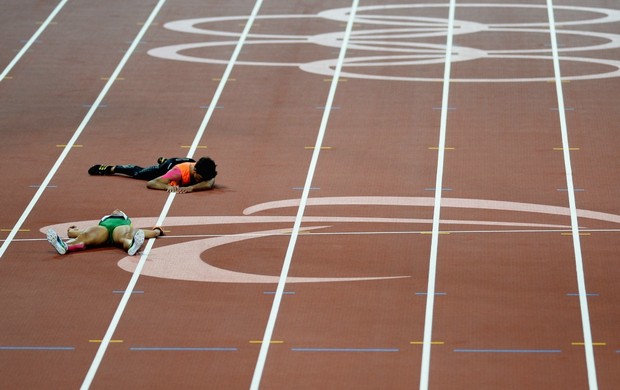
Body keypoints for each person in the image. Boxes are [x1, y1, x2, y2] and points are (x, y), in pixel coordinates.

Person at [46, 209, 163, 256]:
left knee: (127, 235)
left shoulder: (126, 223)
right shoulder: (105, 221)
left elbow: (142, 233)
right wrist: (72, 231)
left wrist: (156, 231)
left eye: (119, 211)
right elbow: (78, 233)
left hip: (119, 230)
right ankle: (65, 246)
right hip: (103, 231)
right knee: (85, 236)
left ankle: (133, 245)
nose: (116, 209)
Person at [88, 156, 217, 193]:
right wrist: (167, 187)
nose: (202, 180)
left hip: (185, 161)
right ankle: (111, 168)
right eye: (200, 178)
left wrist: (191, 188)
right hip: (171, 166)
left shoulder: (206, 170)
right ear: (195, 171)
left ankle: (164, 160)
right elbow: (152, 183)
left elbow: (210, 182)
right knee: (139, 174)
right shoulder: (176, 174)